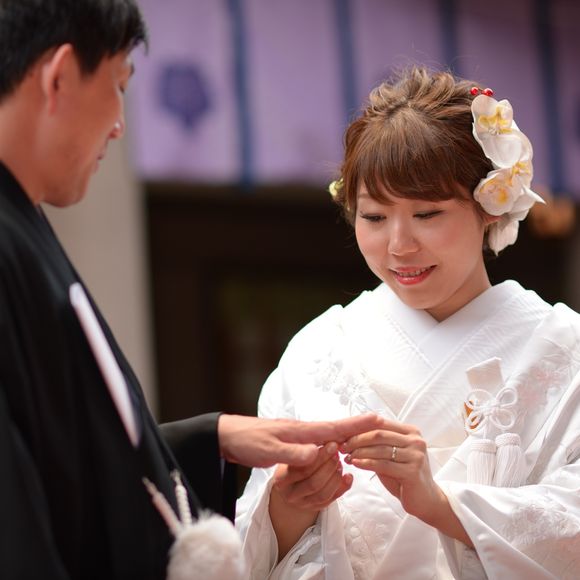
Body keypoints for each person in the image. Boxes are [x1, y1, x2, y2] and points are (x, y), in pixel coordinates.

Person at [0, 1, 384, 578]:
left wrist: (214, 439)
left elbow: (63, 452)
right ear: (59, 77)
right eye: (118, 86)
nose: (119, 124)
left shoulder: (21, 223)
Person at [236, 66, 580, 579]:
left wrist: (441, 504)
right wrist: (289, 506)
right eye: (374, 217)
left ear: (490, 205)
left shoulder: (564, 349)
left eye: (427, 214)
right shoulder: (319, 351)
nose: (399, 245)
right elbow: (254, 547)